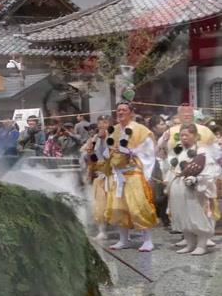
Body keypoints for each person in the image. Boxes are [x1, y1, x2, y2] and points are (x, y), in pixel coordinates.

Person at [104, 101, 158, 252]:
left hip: (134, 172)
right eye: (118, 110)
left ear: (131, 112)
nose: (120, 112)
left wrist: (131, 152)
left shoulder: (141, 130)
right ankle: (123, 239)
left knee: (139, 207)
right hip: (118, 174)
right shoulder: (113, 130)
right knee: (118, 208)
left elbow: (149, 152)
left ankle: (147, 240)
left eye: (123, 110)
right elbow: (109, 149)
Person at [165, 123, 221, 255]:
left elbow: (211, 171)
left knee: (196, 215)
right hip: (178, 186)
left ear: (195, 136)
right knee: (183, 215)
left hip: (194, 188)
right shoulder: (178, 151)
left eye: (187, 135)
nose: (184, 138)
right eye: (182, 135)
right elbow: (170, 167)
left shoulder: (202, 152)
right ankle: (189, 244)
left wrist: (196, 179)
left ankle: (201, 245)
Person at [82, 116, 112, 240]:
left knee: (116, 205)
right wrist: (89, 153)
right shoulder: (94, 139)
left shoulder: (114, 137)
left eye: (105, 123)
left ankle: (124, 233)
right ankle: (102, 230)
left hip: (113, 174)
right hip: (99, 175)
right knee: (99, 204)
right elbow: (89, 157)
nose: (101, 126)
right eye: (100, 123)